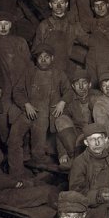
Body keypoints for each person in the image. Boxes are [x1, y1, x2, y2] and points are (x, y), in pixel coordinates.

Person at [0, 125, 58, 214]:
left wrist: (20, 182)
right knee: (47, 191)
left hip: (4, 190)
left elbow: (0, 177)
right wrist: (17, 184)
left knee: (37, 183)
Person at [7, 43, 70, 174]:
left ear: (52, 58)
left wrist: (62, 102)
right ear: (36, 59)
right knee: (14, 137)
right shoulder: (29, 72)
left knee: (38, 148)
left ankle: (38, 166)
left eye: (46, 57)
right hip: (27, 111)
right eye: (40, 57)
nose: (43, 59)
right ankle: (16, 172)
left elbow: (69, 90)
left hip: (45, 114)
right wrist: (26, 104)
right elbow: (17, 90)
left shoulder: (58, 74)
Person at [0, 11, 33, 143]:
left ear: (11, 25)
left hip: (21, 88)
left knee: (23, 120)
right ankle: (7, 152)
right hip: (3, 91)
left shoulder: (20, 42)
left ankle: (23, 150)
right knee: (2, 123)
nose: (3, 27)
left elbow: (29, 66)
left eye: (6, 24)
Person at [68, 122, 109, 218]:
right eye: (92, 139)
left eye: (100, 138)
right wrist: (98, 196)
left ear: (106, 140)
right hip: (91, 208)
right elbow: (76, 195)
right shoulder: (80, 162)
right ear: (86, 142)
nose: (97, 143)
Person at [33, 0, 90, 76]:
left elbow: (87, 40)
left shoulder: (72, 25)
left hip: (65, 67)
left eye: (62, 2)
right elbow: (35, 49)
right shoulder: (44, 25)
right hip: (47, 68)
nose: (59, 6)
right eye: (55, 3)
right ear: (50, 5)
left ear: (66, 4)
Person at [53, 68, 94, 169]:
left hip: (95, 137)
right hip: (77, 142)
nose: (80, 87)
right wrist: (62, 153)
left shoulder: (97, 97)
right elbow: (60, 129)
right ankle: (75, 159)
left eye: (84, 83)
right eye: (77, 84)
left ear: (89, 85)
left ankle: (82, 161)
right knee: (60, 120)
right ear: (73, 86)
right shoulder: (70, 102)